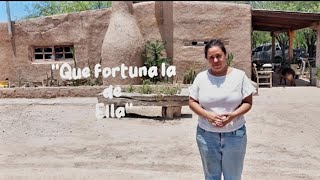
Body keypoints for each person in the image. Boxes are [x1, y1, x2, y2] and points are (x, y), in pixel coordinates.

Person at [188, 39, 256, 180]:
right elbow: (192, 101)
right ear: (207, 59)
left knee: (233, 176)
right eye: (211, 57)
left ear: (225, 55)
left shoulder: (239, 76)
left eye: (219, 56)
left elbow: (248, 102)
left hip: (235, 134)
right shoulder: (201, 78)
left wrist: (233, 115)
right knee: (211, 176)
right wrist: (208, 115)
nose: (215, 60)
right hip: (206, 135)